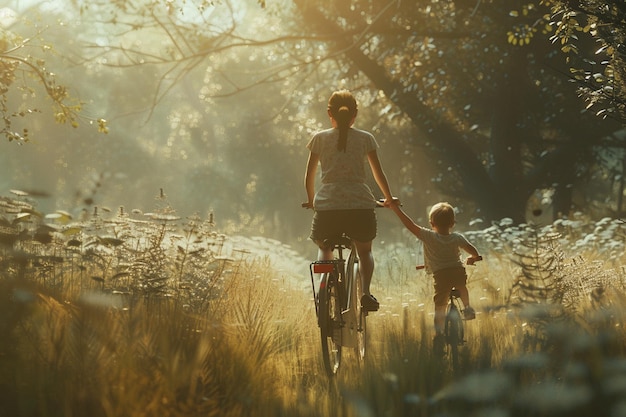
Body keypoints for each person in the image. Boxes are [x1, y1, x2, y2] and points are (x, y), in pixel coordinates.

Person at [303, 89, 394, 311]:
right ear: (355, 114)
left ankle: (323, 287)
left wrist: (312, 200)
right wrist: (389, 199)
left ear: (329, 113)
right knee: (365, 251)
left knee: (324, 247)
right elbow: (378, 174)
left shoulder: (319, 138)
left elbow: (309, 176)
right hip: (360, 206)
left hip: (328, 208)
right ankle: (365, 293)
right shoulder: (366, 139)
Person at [388, 201, 481, 353]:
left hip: (441, 275)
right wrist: (473, 258)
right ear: (452, 223)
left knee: (440, 306)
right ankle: (467, 308)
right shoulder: (457, 238)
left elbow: (410, 225)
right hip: (458, 271)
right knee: (461, 286)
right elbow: (473, 250)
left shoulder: (428, 236)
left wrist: (395, 208)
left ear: (431, 223)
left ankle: (438, 335)